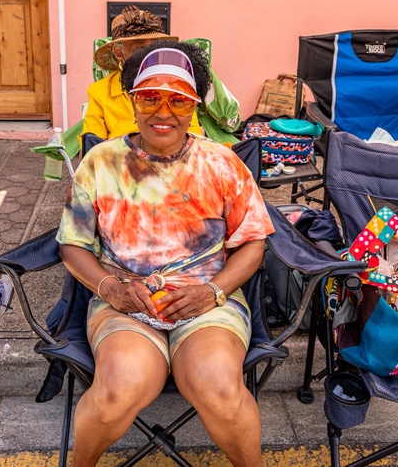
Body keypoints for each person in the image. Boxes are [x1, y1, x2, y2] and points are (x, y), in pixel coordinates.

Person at [58, 40, 273, 467]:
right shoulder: (101, 162)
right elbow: (72, 244)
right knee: (116, 390)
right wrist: (110, 288)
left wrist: (212, 292)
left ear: (194, 106)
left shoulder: (221, 162)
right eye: (149, 97)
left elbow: (253, 242)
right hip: (125, 301)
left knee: (221, 388)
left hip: (209, 301)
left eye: (178, 100)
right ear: (132, 101)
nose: (163, 111)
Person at [83, 5, 240, 142]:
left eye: (155, 47)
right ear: (119, 53)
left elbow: (192, 137)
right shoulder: (101, 92)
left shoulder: (177, 83)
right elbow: (91, 148)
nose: (149, 54)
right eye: (139, 48)